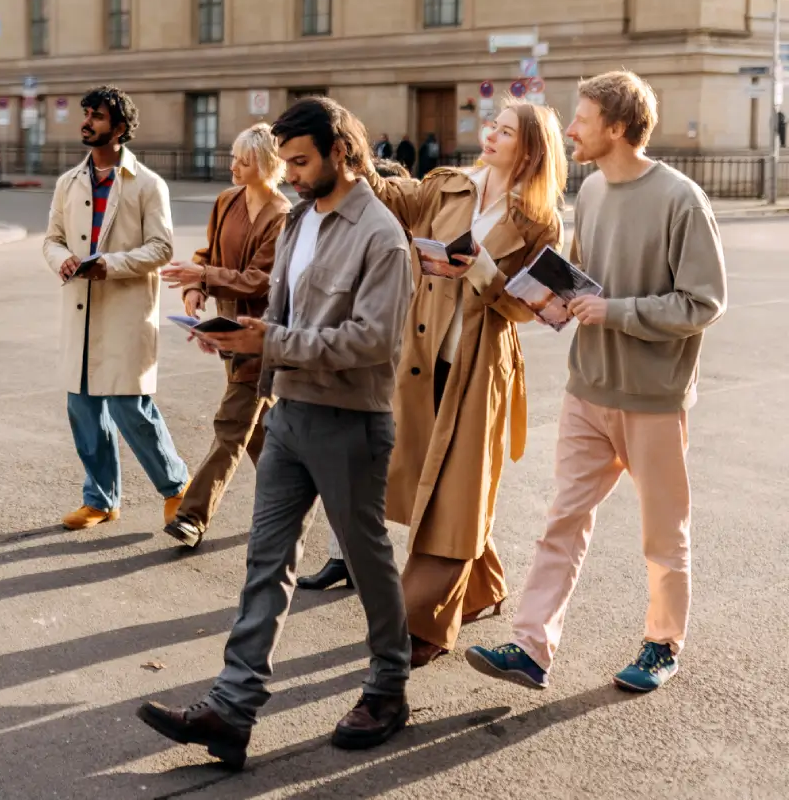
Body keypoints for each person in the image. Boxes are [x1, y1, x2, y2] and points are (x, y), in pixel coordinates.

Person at [137, 97, 414, 769]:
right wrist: (237, 338)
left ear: (342, 154)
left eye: (300, 160)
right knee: (267, 560)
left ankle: (388, 685)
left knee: (366, 557)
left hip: (350, 419)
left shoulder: (381, 235)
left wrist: (272, 339)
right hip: (287, 406)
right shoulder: (298, 220)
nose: (288, 173)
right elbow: (277, 308)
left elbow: (375, 340)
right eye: (285, 161)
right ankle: (232, 710)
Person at [467, 70, 727, 694]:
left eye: (581, 119)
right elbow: (583, 278)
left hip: (652, 400)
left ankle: (663, 645)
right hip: (588, 389)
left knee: (664, 532)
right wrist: (547, 299)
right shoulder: (593, 193)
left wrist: (619, 313)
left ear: (616, 127)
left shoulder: (682, 199)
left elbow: (704, 303)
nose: (571, 129)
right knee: (562, 520)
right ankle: (531, 647)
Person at [347, 102, 568, 669]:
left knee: (455, 493)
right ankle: (485, 584)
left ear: (531, 149)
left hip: (479, 365)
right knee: (440, 484)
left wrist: (481, 271)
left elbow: (532, 308)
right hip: (420, 358)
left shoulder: (541, 219)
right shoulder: (448, 185)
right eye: (491, 126)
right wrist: (351, 144)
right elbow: (388, 198)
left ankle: (424, 623)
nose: (490, 134)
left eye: (506, 131)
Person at [42, 87, 191, 531]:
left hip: (126, 309)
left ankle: (176, 488)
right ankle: (101, 499)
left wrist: (110, 265)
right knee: (83, 407)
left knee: (131, 407)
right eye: (86, 114)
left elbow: (162, 247)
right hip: (80, 309)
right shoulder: (68, 182)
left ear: (120, 128)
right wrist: (62, 259)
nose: (87, 122)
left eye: (98, 116)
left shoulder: (147, 184)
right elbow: (51, 238)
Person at [159, 124, 291, 548]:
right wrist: (197, 287)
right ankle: (294, 499)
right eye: (233, 157)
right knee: (257, 434)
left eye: (244, 160)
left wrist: (204, 276)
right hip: (226, 332)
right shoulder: (226, 201)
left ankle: (192, 516)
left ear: (268, 165)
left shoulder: (282, 215)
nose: (234, 167)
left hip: (260, 336)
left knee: (232, 425)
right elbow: (207, 253)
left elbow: (259, 280)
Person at [297, 157, 411, 593]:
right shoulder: (354, 240)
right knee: (349, 479)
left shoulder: (393, 242)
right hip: (362, 376)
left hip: (402, 373)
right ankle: (341, 557)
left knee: (404, 478)